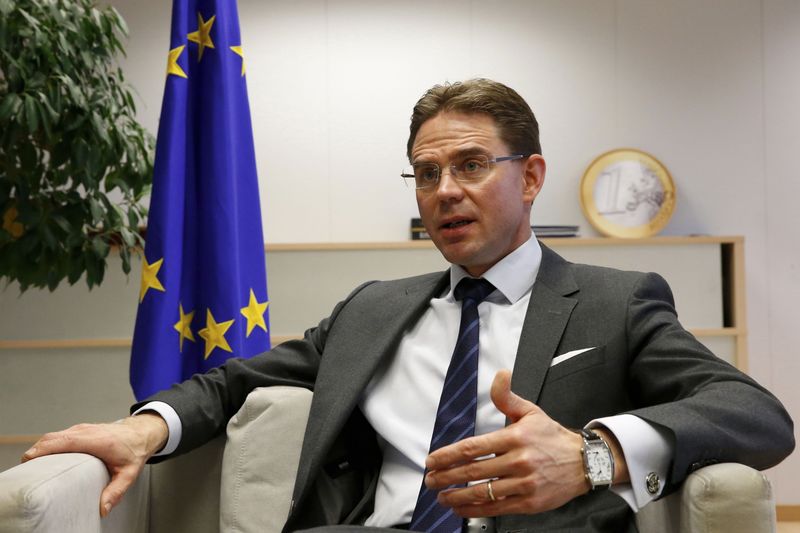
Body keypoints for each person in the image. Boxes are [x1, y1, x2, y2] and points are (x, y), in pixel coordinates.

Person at [23, 79, 794, 532]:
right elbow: (231, 381)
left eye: (469, 164)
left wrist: (594, 454)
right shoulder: (372, 308)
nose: (445, 191)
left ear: (530, 178)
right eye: (425, 174)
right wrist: (138, 427)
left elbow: (755, 413)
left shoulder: (613, 301)